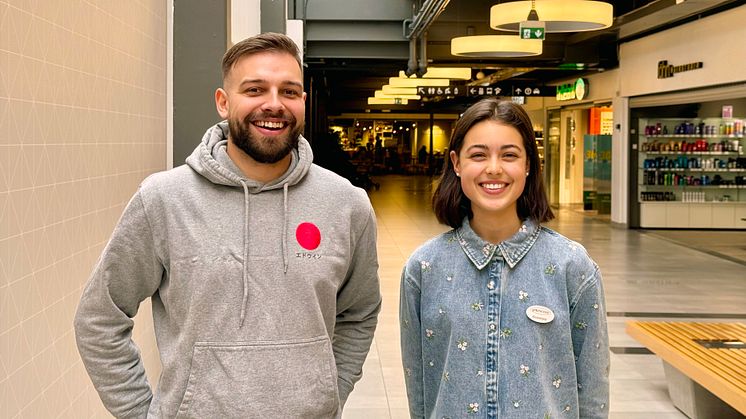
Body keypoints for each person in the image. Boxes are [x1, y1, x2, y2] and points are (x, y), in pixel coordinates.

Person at [74, 32, 381, 419]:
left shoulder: (346, 204)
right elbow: (99, 318)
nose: (273, 104)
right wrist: (139, 412)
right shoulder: (164, 199)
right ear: (224, 102)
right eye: (254, 89)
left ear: (303, 102)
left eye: (289, 91)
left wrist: (330, 394)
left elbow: (359, 312)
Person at [399, 98, 609, 418]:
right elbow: (419, 385)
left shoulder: (571, 266)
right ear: (457, 163)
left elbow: (593, 388)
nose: (494, 168)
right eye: (478, 155)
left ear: (528, 164)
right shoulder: (425, 268)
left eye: (509, 155)